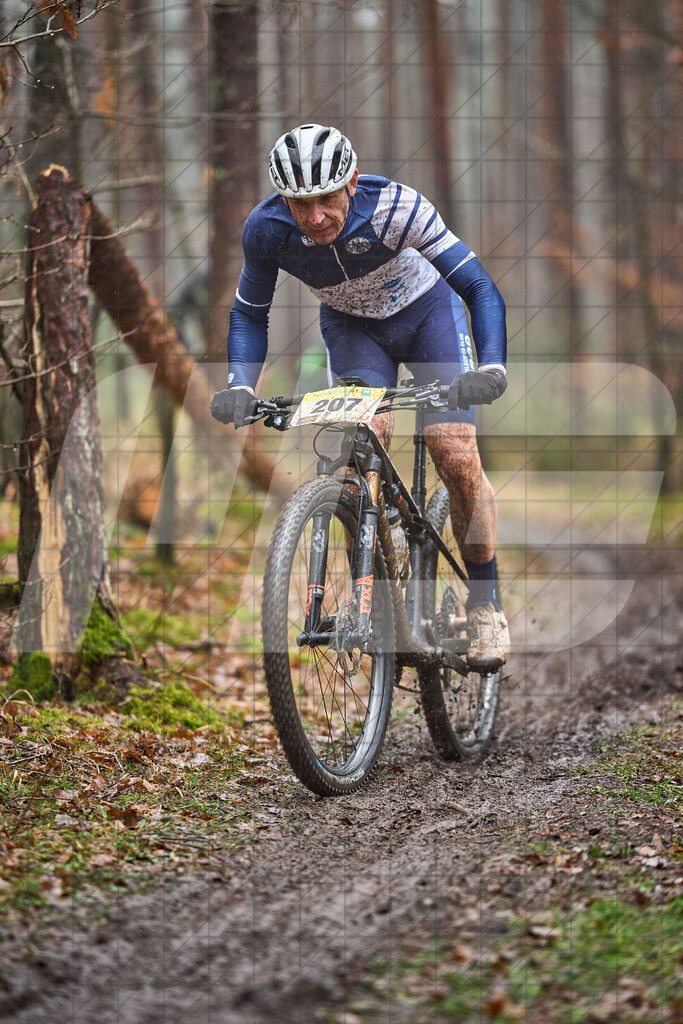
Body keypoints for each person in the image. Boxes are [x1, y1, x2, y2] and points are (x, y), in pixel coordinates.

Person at [211, 124, 510, 666]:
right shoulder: (267, 229)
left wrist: (490, 365)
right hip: (353, 331)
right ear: (284, 200)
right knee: (357, 446)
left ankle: (485, 603)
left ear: (350, 182)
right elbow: (249, 313)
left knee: (453, 450)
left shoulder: (398, 208)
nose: (316, 216)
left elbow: (479, 286)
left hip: (428, 319)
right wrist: (239, 385)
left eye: (326, 199)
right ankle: (377, 591)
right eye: (301, 204)